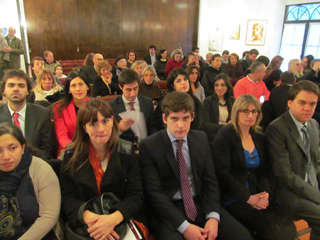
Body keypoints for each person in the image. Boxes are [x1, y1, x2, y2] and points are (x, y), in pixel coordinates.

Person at [139, 91, 253, 240]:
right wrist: (184, 227)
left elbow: (210, 181)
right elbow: (155, 194)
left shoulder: (200, 138)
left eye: (186, 118)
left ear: (192, 117)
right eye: (174, 118)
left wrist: (213, 216)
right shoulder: (149, 146)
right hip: (169, 210)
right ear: (164, 119)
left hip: (200, 202)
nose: (180, 125)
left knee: (243, 237)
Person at [212, 94, 296, 239]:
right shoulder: (225, 136)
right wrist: (249, 198)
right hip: (234, 195)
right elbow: (223, 174)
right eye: (245, 111)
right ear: (236, 112)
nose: (250, 115)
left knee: (288, 227)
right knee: (270, 230)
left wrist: (265, 194)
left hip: (257, 191)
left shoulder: (259, 137)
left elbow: (266, 171)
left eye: (254, 111)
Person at [60, 98, 144, 240]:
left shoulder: (126, 151)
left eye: (105, 121)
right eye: (93, 124)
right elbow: (67, 198)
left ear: (112, 121)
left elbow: (136, 195)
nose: (101, 129)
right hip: (87, 222)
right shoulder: (70, 156)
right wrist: (87, 216)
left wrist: (114, 218)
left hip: (119, 218)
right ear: (84, 127)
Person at [266, 80, 320, 239]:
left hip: (311, 186)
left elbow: (316, 161)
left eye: (313, 104)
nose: (308, 108)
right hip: (289, 193)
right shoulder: (277, 128)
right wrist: (317, 197)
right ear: (290, 103)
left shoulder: (313, 125)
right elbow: (285, 175)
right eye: (302, 103)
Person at [0, 122, 61, 240]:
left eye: (12, 148)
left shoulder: (40, 170)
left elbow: (49, 216)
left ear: (22, 148)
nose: (6, 156)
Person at [0, 70, 53, 160]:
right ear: (4, 91)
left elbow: (47, 150)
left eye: (21, 86)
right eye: (11, 85)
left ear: (28, 91)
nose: (16, 89)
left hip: (34, 164)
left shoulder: (42, 114)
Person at [108, 68, 156, 144]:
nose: (133, 94)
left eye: (135, 89)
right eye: (128, 90)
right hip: (122, 148)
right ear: (120, 87)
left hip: (146, 146)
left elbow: (153, 127)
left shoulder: (147, 103)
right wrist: (118, 128)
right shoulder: (111, 106)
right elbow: (106, 133)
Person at [53, 71, 90, 157]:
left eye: (81, 84)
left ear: (87, 86)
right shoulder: (60, 108)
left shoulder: (96, 105)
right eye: (73, 86)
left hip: (93, 148)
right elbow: (62, 136)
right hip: (70, 150)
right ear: (69, 89)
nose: (78, 89)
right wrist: (76, 149)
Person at [203, 73, 235, 142]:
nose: (219, 88)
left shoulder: (232, 100)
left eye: (222, 85)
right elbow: (205, 125)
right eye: (216, 85)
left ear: (227, 86)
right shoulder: (208, 101)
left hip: (229, 135)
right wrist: (224, 126)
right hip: (214, 136)